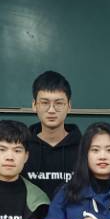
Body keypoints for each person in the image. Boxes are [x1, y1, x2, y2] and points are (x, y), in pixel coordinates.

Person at [24, 70, 82, 199]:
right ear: (34, 105)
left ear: (69, 106)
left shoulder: (85, 148)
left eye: (59, 103)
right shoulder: (22, 147)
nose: (51, 110)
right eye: (45, 103)